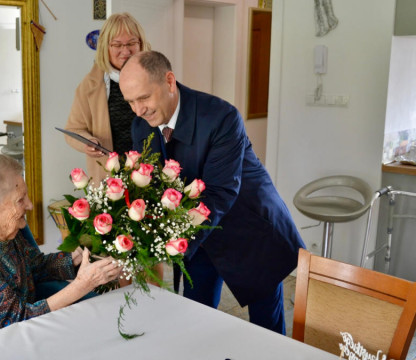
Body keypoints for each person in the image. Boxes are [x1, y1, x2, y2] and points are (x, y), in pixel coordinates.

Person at [119, 51, 306, 334]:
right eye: (130, 102)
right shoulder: (140, 125)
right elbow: (152, 185)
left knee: (266, 328)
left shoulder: (221, 117)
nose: (138, 110)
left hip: (249, 227)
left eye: (143, 98)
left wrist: (173, 239)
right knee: (196, 317)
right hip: (200, 237)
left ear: (169, 82)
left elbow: (220, 192)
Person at [0, 152, 121, 339]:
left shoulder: (2, 229)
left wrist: (75, 260)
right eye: (20, 199)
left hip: (28, 333)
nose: (30, 205)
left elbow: (36, 266)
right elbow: (17, 319)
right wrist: (83, 284)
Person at [64, 12, 151, 183]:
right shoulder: (90, 86)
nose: (125, 51)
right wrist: (88, 142)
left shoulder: (155, 78)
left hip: (150, 173)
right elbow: (73, 130)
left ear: (141, 44)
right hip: (109, 179)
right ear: (105, 47)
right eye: (117, 45)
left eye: (132, 43)